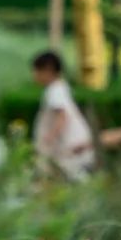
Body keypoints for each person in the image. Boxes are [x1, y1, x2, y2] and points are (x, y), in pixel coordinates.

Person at [31, 51, 96, 180]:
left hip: (72, 149)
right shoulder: (60, 87)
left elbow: (62, 115)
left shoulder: (55, 90)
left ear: (48, 70)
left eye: (37, 71)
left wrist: (49, 137)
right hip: (76, 148)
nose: (34, 75)